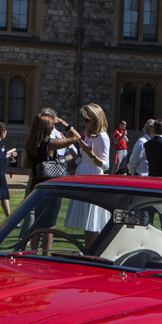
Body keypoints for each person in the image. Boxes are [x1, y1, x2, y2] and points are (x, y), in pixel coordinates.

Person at [63, 103, 110, 250]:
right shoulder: (88, 135)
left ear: (96, 119)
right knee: (86, 222)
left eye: (87, 119)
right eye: (84, 119)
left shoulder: (102, 137)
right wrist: (70, 146)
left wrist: (91, 154)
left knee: (93, 222)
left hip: (94, 179)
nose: (84, 122)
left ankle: (96, 255)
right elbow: (80, 162)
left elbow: (106, 165)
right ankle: (88, 254)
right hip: (83, 177)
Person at [23, 109, 81, 196]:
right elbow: (76, 137)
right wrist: (62, 122)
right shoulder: (50, 144)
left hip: (34, 184)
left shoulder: (30, 143)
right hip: (48, 186)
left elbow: (26, 164)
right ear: (48, 128)